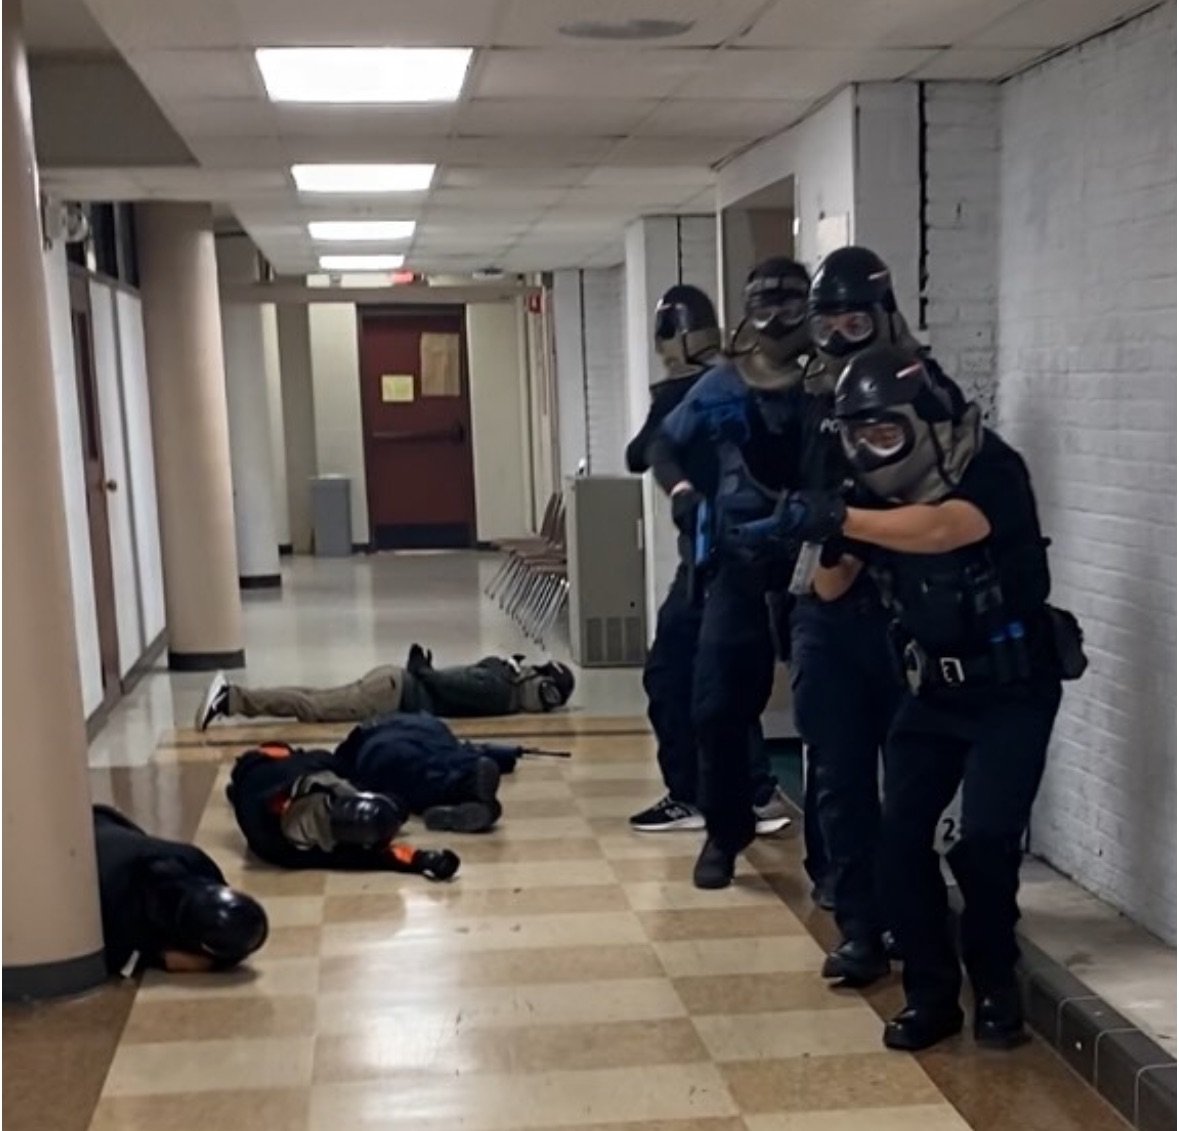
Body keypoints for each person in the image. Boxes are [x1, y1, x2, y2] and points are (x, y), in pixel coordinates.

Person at [744, 343, 1081, 1051]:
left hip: (1011, 689)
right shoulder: (871, 493)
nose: (873, 447)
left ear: (925, 417)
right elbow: (832, 587)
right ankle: (931, 995)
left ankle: (994, 985)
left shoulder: (991, 468)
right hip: (930, 691)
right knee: (896, 844)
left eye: (886, 432)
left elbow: (943, 527)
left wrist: (840, 516)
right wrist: (806, 529)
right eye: (858, 435)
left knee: (986, 843)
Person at [788, 245, 969, 986]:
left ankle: (909, 920)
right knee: (837, 775)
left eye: (852, 315)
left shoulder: (929, 389)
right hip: (829, 602)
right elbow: (803, 500)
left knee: (911, 778)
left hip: (907, 606)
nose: (838, 332)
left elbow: (945, 493)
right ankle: (860, 924)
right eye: (825, 318)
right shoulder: (803, 395)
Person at [655, 257, 813, 888]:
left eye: (789, 304)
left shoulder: (829, 380)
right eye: (762, 304)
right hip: (738, 562)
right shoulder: (723, 383)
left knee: (829, 720)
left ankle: (832, 862)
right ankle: (725, 832)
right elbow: (664, 444)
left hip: (820, 561)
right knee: (717, 705)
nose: (774, 318)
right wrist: (684, 491)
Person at [627, 284, 787, 836]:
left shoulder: (710, 389)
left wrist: (670, 396)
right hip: (718, 553)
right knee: (720, 680)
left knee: (680, 676)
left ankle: (698, 795)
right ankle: (753, 790)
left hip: (725, 558)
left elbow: (638, 453)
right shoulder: (729, 381)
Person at [226, 743, 461, 879]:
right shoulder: (283, 851)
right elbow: (370, 859)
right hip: (263, 772)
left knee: (384, 805)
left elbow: (370, 857)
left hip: (272, 783)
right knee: (390, 803)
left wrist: (423, 860)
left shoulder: (308, 767)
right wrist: (422, 860)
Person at [195, 646, 575, 730]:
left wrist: (420, 668)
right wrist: (422, 670)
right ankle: (232, 700)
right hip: (393, 693)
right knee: (314, 708)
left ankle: (236, 698)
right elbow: (447, 685)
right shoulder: (500, 690)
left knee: (315, 698)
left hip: (393, 687)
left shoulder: (501, 683)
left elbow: (449, 682)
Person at [93, 804, 268, 976]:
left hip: (97, 822)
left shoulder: (195, 861)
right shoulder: (121, 926)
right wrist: (159, 958)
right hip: (80, 856)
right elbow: (116, 963)